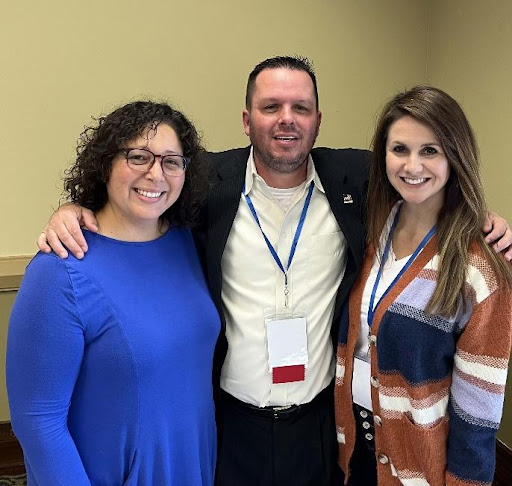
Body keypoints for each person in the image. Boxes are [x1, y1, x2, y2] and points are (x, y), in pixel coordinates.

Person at [36, 58, 512, 486]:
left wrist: (482, 221)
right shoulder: (202, 186)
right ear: (247, 120)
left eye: (301, 108)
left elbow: (425, 174)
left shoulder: (357, 178)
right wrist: (77, 209)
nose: (287, 118)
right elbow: (138, 201)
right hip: (229, 424)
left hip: (323, 426)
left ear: (318, 121)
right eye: (271, 106)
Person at [7, 101, 220, 486]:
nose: (156, 174)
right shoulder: (60, 269)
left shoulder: (185, 243)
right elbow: (38, 422)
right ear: (106, 163)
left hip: (192, 466)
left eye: (172, 161)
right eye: (138, 157)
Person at [334, 86, 512, 485]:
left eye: (430, 151)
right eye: (400, 149)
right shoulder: (370, 227)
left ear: (455, 155)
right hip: (351, 452)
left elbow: (478, 411)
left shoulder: (479, 268)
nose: (412, 165)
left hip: (418, 468)